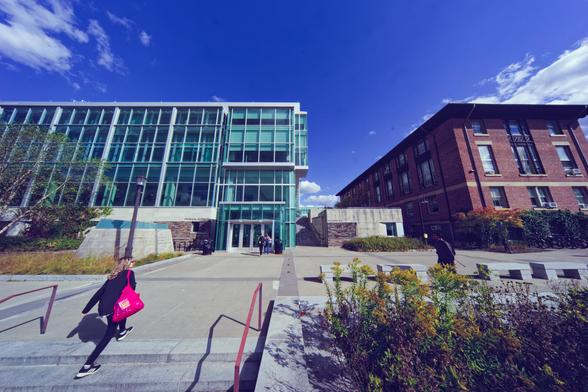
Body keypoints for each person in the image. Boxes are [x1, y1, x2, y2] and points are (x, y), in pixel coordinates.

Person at [75, 258, 137, 379]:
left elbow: (99, 293)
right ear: (127, 264)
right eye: (132, 262)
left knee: (123, 310)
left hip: (104, 308)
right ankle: (87, 366)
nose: (134, 264)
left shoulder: (113, 276)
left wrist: (86, 309)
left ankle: (123, 331)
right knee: (108, 335)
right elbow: (132, 289)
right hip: (114, 309)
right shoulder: (130, 273)